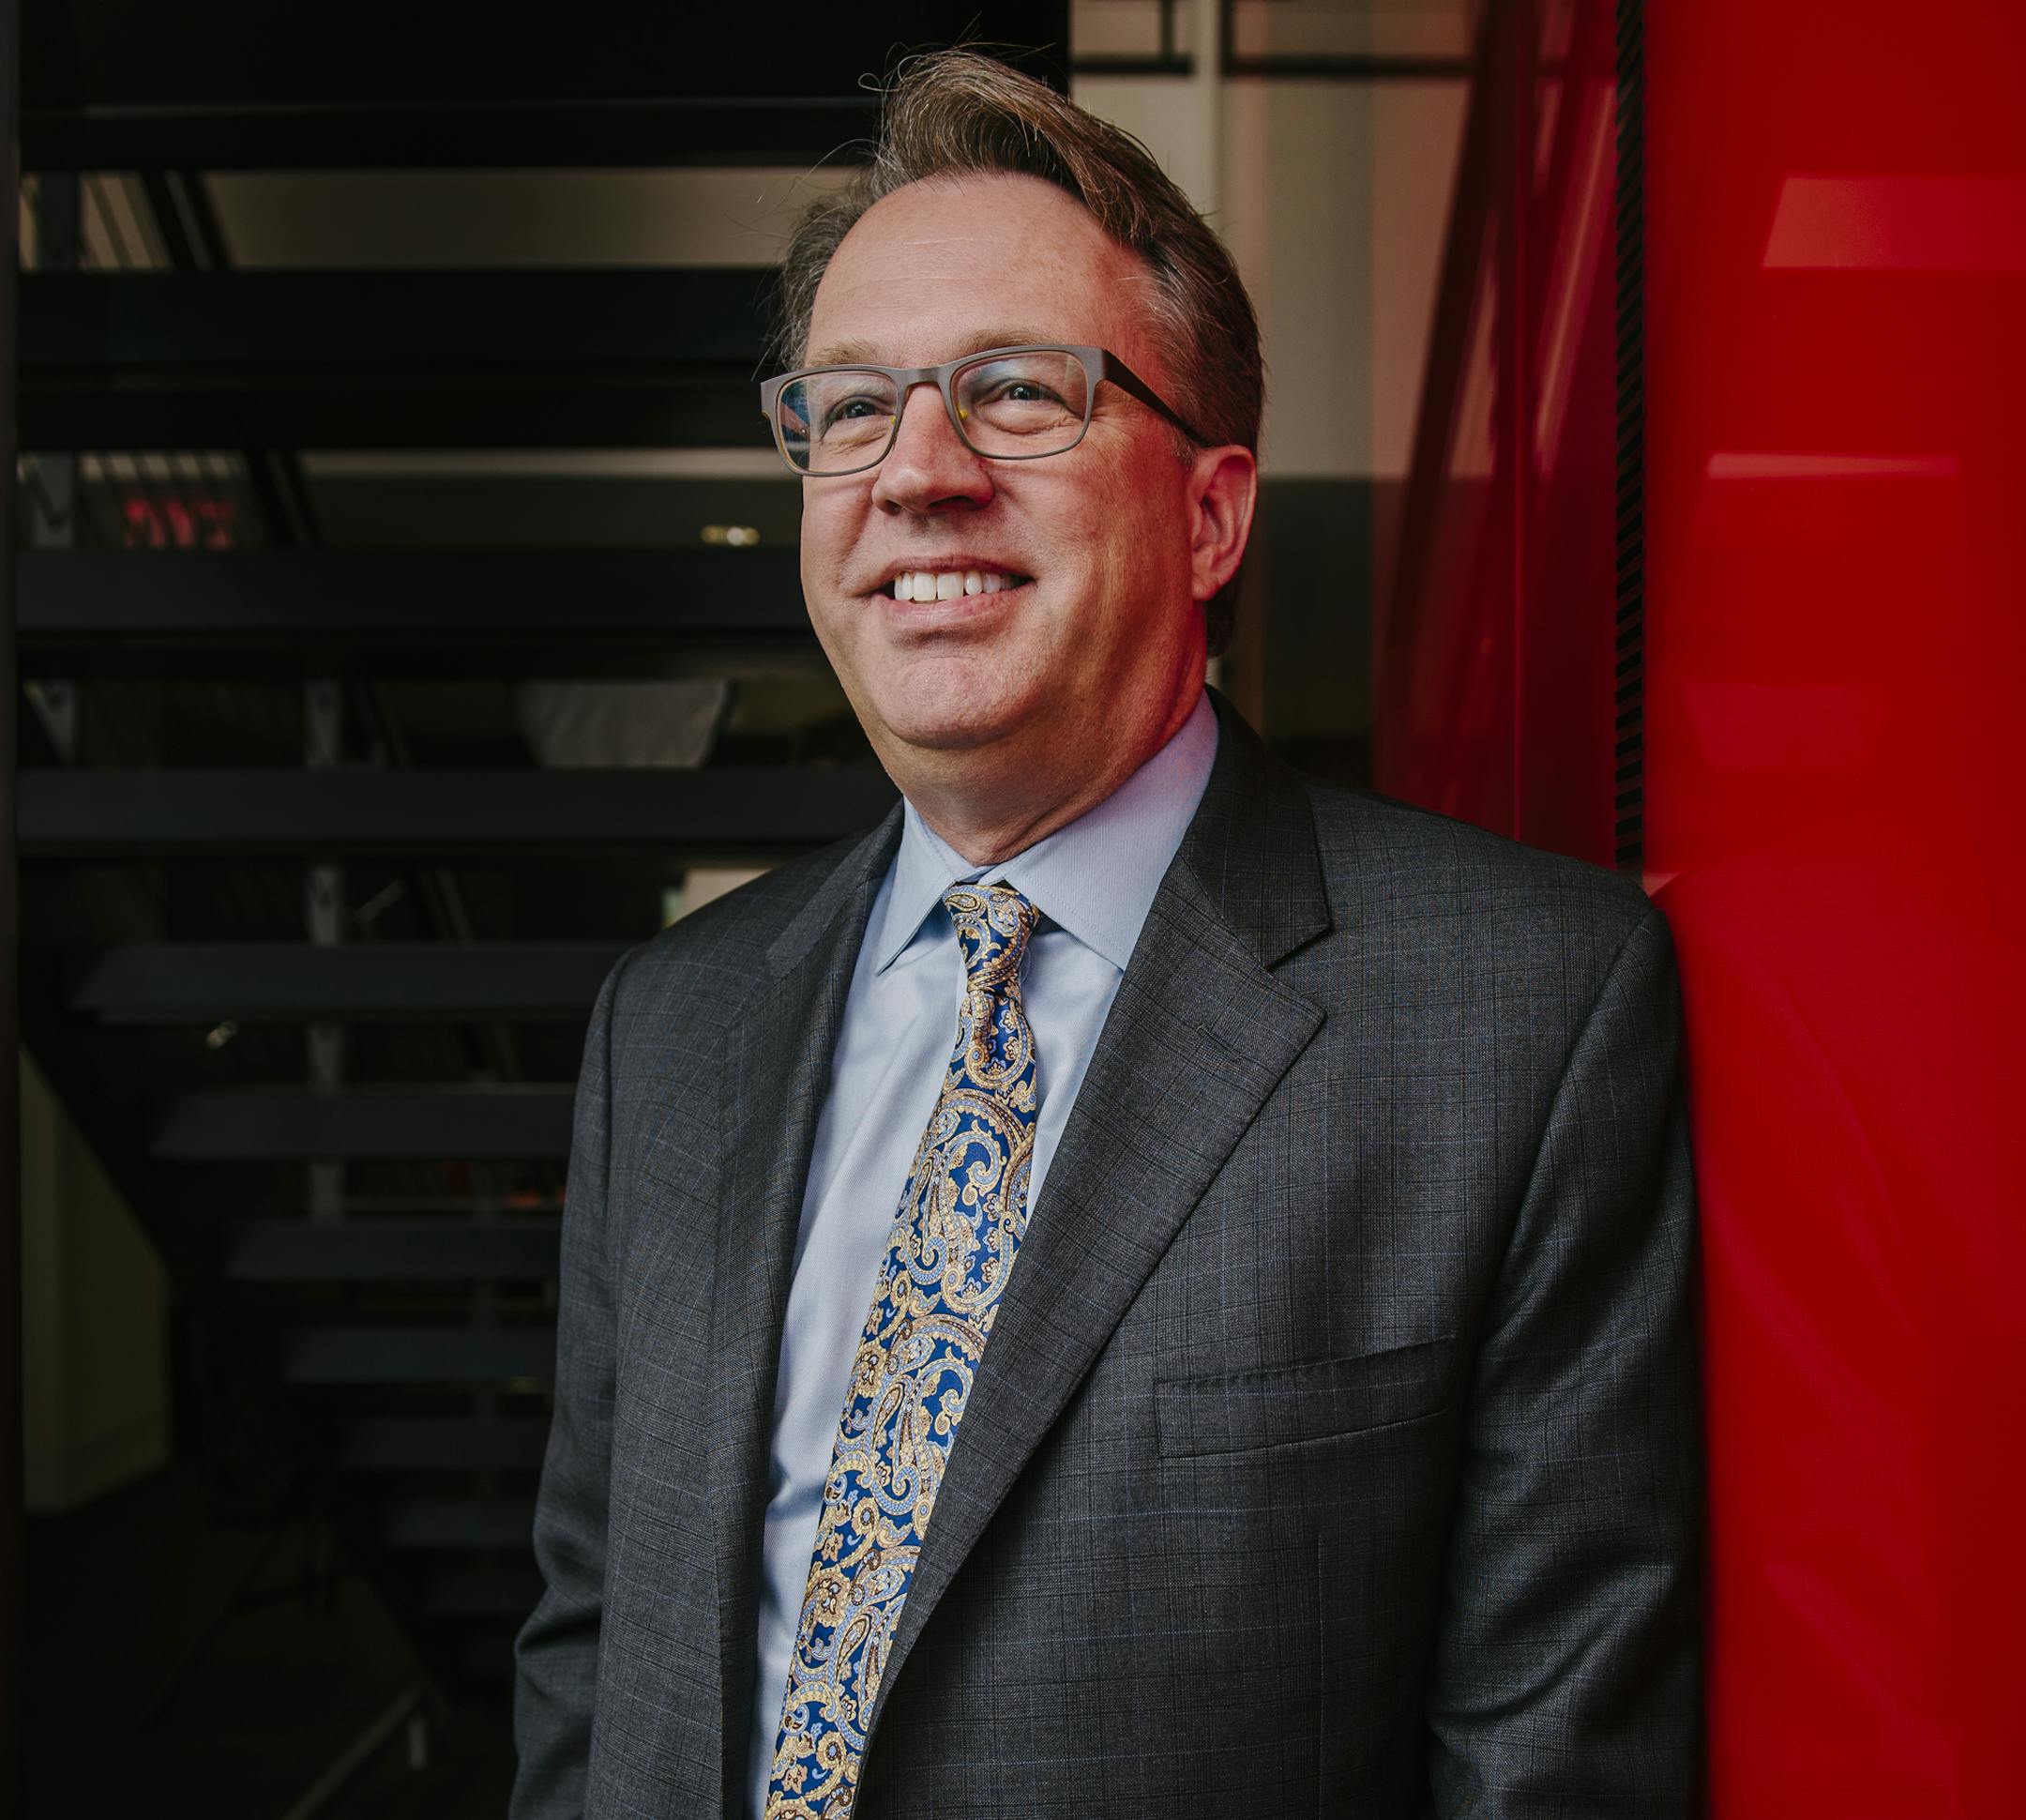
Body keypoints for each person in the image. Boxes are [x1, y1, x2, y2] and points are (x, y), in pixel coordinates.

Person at [511, 48, 1700, 1820]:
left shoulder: (1523, 1011)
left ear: (1211, 515)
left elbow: (1552, 1761)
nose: (917, 473)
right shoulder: (666, 1026)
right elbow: (592, 1648)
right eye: (851, 407)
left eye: (1015, 392)